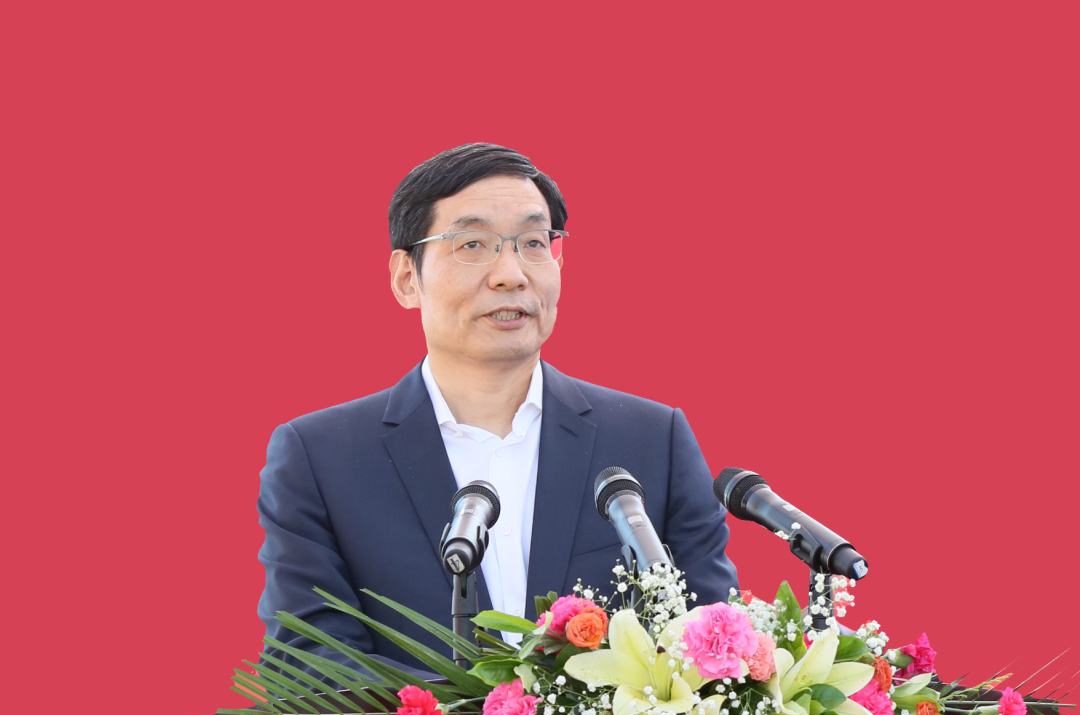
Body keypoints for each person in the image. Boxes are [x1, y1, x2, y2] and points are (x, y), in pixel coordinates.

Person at [257, 143, 738, 679]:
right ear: (407, 278)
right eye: (473, 244)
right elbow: (309, 665)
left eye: (533, 243)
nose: (511, 274)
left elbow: (717, 641)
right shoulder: (322, 458)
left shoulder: (652, 441)